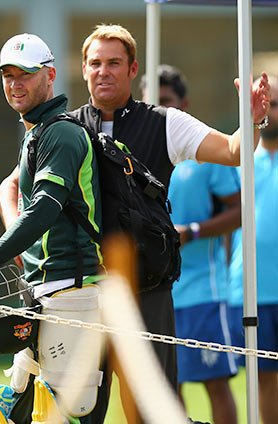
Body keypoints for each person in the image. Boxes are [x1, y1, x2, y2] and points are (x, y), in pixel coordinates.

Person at [66, 24, 269, 421]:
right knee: (80, 409)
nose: (103, 71)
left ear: (132, 69)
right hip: (82, 288)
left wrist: (253, 118)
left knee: (149, 409)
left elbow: (232, 151)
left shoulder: (165, 122)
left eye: (114, 63)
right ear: (85, 70)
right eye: (95, 63)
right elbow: (14, 186)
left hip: (148, 288)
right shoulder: (65, 129)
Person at [0, 33, 105, 424]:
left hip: (74, 291)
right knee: (24, 410)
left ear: (50, 76)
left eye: (25, 74)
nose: (15, 83)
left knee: (70, 413)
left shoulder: (59, 132)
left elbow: (44, 208)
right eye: (8, 75)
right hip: (49, 292)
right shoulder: (37, 132)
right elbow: (13, 191)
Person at [141, 65, 240, 424]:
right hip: (155, 292)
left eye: (165, 101)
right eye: (152, 101)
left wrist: (193, 231)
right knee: (168, 388)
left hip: (202, 290)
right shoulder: (134, 152)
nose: (159, 109)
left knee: (215, 383)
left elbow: (240, 210)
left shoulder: (203, 155)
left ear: (183, 104)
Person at [228, 74, 278, 424]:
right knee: (263, 381)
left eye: (275, 104)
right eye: (266, 104)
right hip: (251, 291)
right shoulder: (238, 160)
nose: (270, 111)